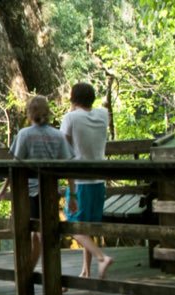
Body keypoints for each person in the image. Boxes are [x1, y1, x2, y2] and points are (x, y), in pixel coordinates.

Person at [9, 95, 70, 274]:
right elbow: (68, 162)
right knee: (46, 233)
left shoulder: (24, 134)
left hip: (30, 192)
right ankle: (33, 271)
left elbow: (16, 163)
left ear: (29, 113)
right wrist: (71, 193)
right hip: (51, 192)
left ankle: (40, 273)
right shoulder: (57, 135)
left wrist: (6, 189)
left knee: (36, 234)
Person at [60, 82, 114, 279]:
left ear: (73, 99)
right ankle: (86, 271)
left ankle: (101, 257)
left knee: (73, 227)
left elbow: (63, 149)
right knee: (88, 228)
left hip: (80, 182)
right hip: (98, 182)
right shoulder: (102, 115)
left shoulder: (70, 118)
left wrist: (71, 192)